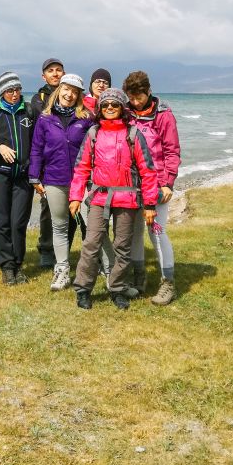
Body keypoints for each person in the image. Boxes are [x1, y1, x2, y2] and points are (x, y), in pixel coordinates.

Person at [69, 88, 158, 311]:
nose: (110, 108)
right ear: (99, 109)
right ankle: (83, 289)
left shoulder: (133, 134)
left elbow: (148, 171)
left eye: (114, 105)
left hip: (127, 197)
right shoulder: (93, 134)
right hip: (99, 196)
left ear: (121, 108)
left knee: (122, 246)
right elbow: (81, 168)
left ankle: (117, 288)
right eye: (106, 104)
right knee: (91, 243)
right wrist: (75, 197)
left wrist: (149, 204)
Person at [28, 73, 93, 291]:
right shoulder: (45, 118)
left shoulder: (86, 119)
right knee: (59, 226)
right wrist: (34, 176)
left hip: (82, 181)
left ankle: (100, 266)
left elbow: (96, 148)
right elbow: (36, 148)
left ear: (79, 96)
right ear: (59, 90)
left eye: (74, 92)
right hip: (54, 179)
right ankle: (62, 270)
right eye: (66, 89)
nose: (69, 94)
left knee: (92, 225)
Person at [123, 70, 181, 305]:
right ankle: (139, 278)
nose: (135, 102)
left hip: (156, 184)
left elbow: (172, 151)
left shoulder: (164, 116)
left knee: (156, 231)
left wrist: (168, 183)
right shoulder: (126, 113)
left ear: (149, 91)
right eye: (131, 98)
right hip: (129, 184)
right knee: (134, 232)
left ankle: (168, 283)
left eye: (139, 97)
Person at [0, 71, 35, 285]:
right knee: (2, 222)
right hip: (0, 174)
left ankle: (18, 265)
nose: (14, 94)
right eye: (10, 90)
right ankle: (7, 267)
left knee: (19, 222)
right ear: (2, 92)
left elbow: (37, 142)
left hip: (23, 176)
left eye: (17, 89)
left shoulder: (28, 111)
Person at [30, 58, 65, 269]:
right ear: (44, 76)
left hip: (67, 159)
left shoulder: (71, 94)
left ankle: (63, 248)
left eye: (58, 70)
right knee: (47, 207)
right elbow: (36, 132)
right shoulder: (38, 98)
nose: (55, 74)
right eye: (50, 71)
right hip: (47, 161)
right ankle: (45, 249)